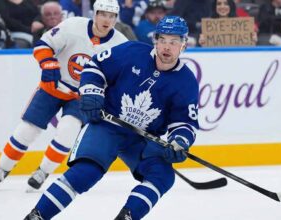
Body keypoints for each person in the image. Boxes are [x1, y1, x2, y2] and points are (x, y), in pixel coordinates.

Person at [25, 15, 199, 220]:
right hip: (108, 124)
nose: (166, 47)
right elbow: (94, 66)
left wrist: (179, 142)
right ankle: (37, 215)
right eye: (162, 40)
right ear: (156, 40)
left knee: (162, 176)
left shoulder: (187, 81)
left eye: (174, 41)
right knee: (86, 172)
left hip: (142, 137)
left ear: (184, 44)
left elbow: (184, 122)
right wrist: (91, 92)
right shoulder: (132, 52)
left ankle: (126, 217)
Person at [0, 0, 127, 191]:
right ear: (95, 14)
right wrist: (48, 63)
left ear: (116, 18)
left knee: (68, 132)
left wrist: (106, 96)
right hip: (52, 87)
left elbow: (121, 78)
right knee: (27, 130)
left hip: (81, 97)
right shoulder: (73, 25)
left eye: (111, 16)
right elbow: (43, 45)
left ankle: (42, 172)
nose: (106, 20)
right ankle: (2, 168)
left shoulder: (120, 44)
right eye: (103, 14)